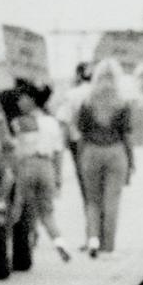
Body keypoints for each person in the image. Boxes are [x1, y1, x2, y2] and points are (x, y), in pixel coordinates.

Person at [74, 58, 134, 257]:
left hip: (91, 151)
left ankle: (93, 242)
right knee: (112, 201)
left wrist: (80, 157)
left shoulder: (88, 101)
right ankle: (108, 246)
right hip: (116, 151)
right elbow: (126, 134)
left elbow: (81, 131)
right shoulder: (122, 102)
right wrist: (131, 161)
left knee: (92, 201)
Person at [10, 84, 73, 262]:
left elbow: (14, 149)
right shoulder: (52, 122)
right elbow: (58, 152)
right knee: (47, 212)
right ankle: (59, 242)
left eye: (22, 98)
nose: (19, 102)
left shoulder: (19, 123)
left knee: (21, 210)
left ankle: (22, 243)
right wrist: (58, 177)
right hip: (47, 167)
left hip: (27, 166)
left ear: (31, 100)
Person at [54, 61, 94, 205]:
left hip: (78, 144)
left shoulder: (71, 94)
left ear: (78, 75)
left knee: (85, 184)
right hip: (101, 143)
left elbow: (63, 120)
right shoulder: (100, 93)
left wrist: (61, 147)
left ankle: (90, 212)